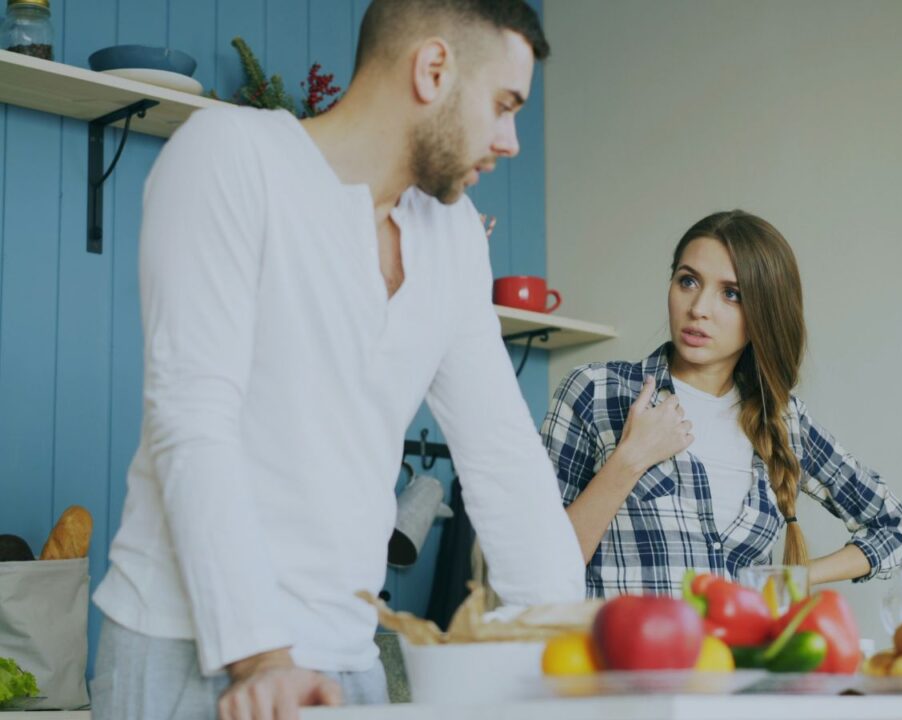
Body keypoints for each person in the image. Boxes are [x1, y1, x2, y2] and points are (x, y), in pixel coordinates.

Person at [90, 1, 585, 718]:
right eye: (504, 105)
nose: (511, 141)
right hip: (192, 648)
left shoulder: (451, 238)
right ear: (434, 69)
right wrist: (261, 658)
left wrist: (570, 647)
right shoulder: (231, 154)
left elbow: (503, 455)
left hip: (349, 661)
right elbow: (192, 418)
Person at [541, 210, 902, 599]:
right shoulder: (596, 391)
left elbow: (898, 528)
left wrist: (796, 578)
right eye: (688, 281)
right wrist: (630, 459)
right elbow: (538, 568)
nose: (699, 308)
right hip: (623, 659)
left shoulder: (784, 421)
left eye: (731, 293)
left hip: (738, 658)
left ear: (764, 312)